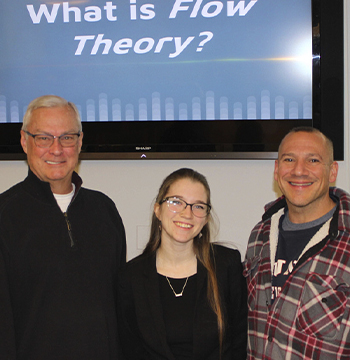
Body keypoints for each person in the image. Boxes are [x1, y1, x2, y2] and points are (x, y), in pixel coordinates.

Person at [0, 95, 126, 359]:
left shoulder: (104, 211)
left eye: (67, 137)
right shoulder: (5, 215)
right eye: (43, 138)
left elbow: (120, 308)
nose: (56, 150)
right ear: (25, 141)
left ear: (80, 142)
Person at [118, 168, 247, 360]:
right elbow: (128, 350)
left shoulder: (227, 265)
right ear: (158, 210)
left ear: (206, 218)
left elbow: (240, 343)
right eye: (176, 202)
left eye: (198, 206)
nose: (187, 213)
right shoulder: (130, 276)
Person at [244, 126, 350, 359]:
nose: (299, 171)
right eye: (289, 159)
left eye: (312, 160)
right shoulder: (259, 236)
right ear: (276, 169)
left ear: (332, 171)